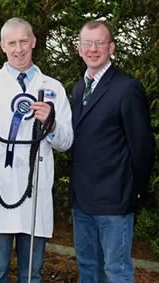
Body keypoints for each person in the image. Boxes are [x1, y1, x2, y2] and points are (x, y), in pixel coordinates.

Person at [0, 17, 73, 283]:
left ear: (34, 41)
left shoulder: (53, 88)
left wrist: (50, 122)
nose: (19, 49)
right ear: (2, 46)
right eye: (12, 43)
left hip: (34, 194)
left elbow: (66, 142)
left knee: (31, 276)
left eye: (24, 41)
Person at [70, 20, 155, 282]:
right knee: (87, 268)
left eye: (99, 43)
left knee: (116, 270)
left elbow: (143, 146)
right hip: (81, 200)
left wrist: (133, 189)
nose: (92, 49)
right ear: (79, 48)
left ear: (111, 47)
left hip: (114, 200)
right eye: (87, 43)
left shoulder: (127, 88)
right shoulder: (78, 88)